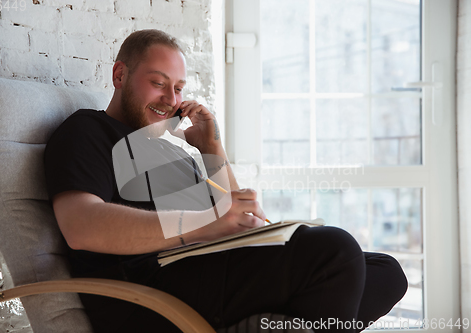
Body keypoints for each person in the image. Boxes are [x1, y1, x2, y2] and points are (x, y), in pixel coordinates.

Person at [44, 29, 408, 332]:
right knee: (335, 251)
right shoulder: (88, 130)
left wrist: (211, 149)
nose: (171, 99)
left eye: (179, 88)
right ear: (120, 75)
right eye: (158, 83)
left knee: (385, 272)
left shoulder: (171, 150)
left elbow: (245, 219)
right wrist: (203, 224)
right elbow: (81, 226)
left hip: (203, 271)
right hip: (147, 289)